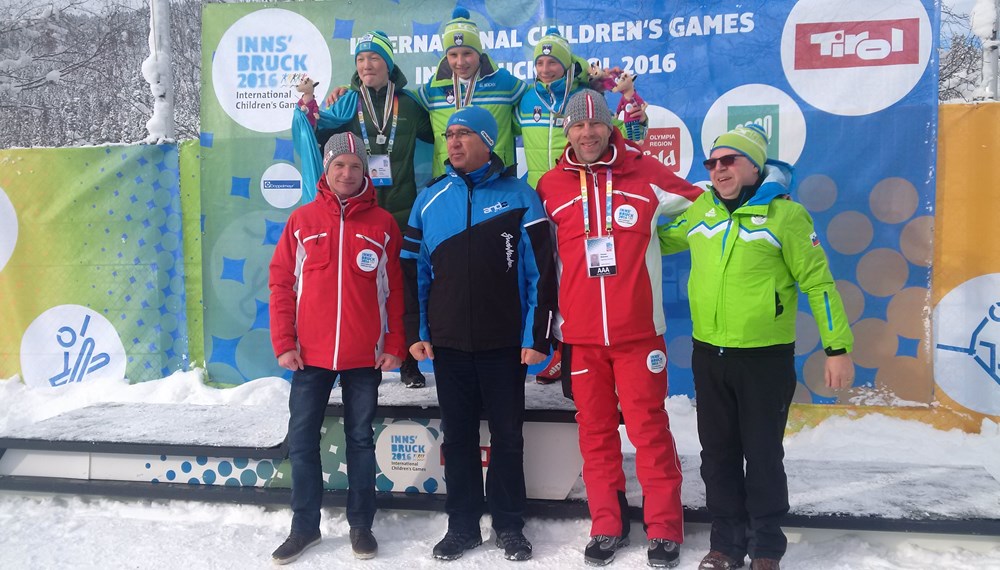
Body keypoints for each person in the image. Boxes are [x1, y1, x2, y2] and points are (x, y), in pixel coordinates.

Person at [658, 123, 855, 570]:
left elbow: (818, 283)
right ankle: (725, 543)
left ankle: (766, 546)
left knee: (763, 454)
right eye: (712, 163)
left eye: (730, 160)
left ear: (754, 165)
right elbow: (657, 241)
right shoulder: (702, 209)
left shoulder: (787, 216)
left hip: (764, 359)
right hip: (709, 356)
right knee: (718, 455)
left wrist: (837, 347)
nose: (719, 169)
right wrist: (621, 222)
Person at [535, 90, 702, 568]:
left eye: (596, 125)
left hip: (638, 335)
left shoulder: (646, 173)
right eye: (577, 126)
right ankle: (607, 524)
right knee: (595, 433)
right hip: (582, 338)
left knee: (650, 431)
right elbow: (537, 260)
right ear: (566, 132)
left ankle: (665, 528)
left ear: (610, 127)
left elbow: (705, 206)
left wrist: (662, 238)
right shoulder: (550, 187)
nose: (587, 133)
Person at [401, 106, 557, 562]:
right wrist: (418, 331)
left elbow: (541, 275)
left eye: (464, 134)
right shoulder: (429, 199)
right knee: (459, 438)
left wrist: (537, 337)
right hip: (449, 345)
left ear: (488, 141)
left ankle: (509, 524)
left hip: (505, 345)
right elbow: (416, 273)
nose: (453, 142)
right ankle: (463, 524)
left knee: (508, 437)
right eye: (449, 134)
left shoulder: (521, 196)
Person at [268, 132, 406, 564]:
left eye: (355, 166)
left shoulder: (382, 224)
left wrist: (395, 344)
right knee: (303, 441)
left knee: (361, 441)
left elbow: (395, 292)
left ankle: (361, 526)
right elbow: (281, 284)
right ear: (326, 171)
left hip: (364, 356)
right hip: (309, 356)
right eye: (339, 165)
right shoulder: (302, 221)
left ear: (366, 171)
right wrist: (284, 343)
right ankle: (304, 527)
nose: (347, 173)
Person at [292, 29, 433, 388]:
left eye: (373, 58)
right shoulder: (348, 102)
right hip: (358, 209)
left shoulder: (412, 105)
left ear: (388, 63)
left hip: (402, 210)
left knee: (403, 285)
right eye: (360, 59)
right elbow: (316, 127)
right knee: (353, 284)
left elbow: (442, 129)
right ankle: (347, 357)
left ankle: (407, 361)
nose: (366, 65)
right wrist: (310, 100)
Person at [417, 7, 526, 177]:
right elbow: (403, 103)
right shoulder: (433, 88)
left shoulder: (503, 82)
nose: (460, 62)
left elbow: (542, 96)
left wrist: (575, 73)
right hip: (448, 177)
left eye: (467, 53)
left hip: (495, 176)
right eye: (453, 54)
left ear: (479, 52)